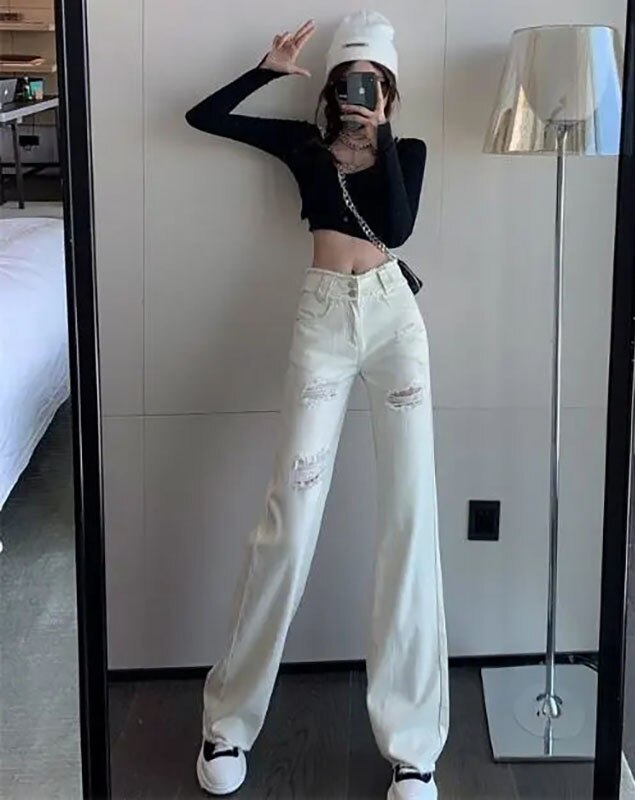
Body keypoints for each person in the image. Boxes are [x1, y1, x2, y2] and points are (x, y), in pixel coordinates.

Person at [184, 11, 449, 800]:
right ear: (332, 88)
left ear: (390, 89)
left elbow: (397, 227)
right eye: (351, 82)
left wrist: (383, 134)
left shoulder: (409, 151)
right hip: (324, 320)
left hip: (395, 321)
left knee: (410, 517)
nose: (360, 93)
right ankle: (227, 725)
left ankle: (413, 746)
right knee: (289, 521)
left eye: (375, 83)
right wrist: (266, 70)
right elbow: (203, 117)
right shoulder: (303, 146)